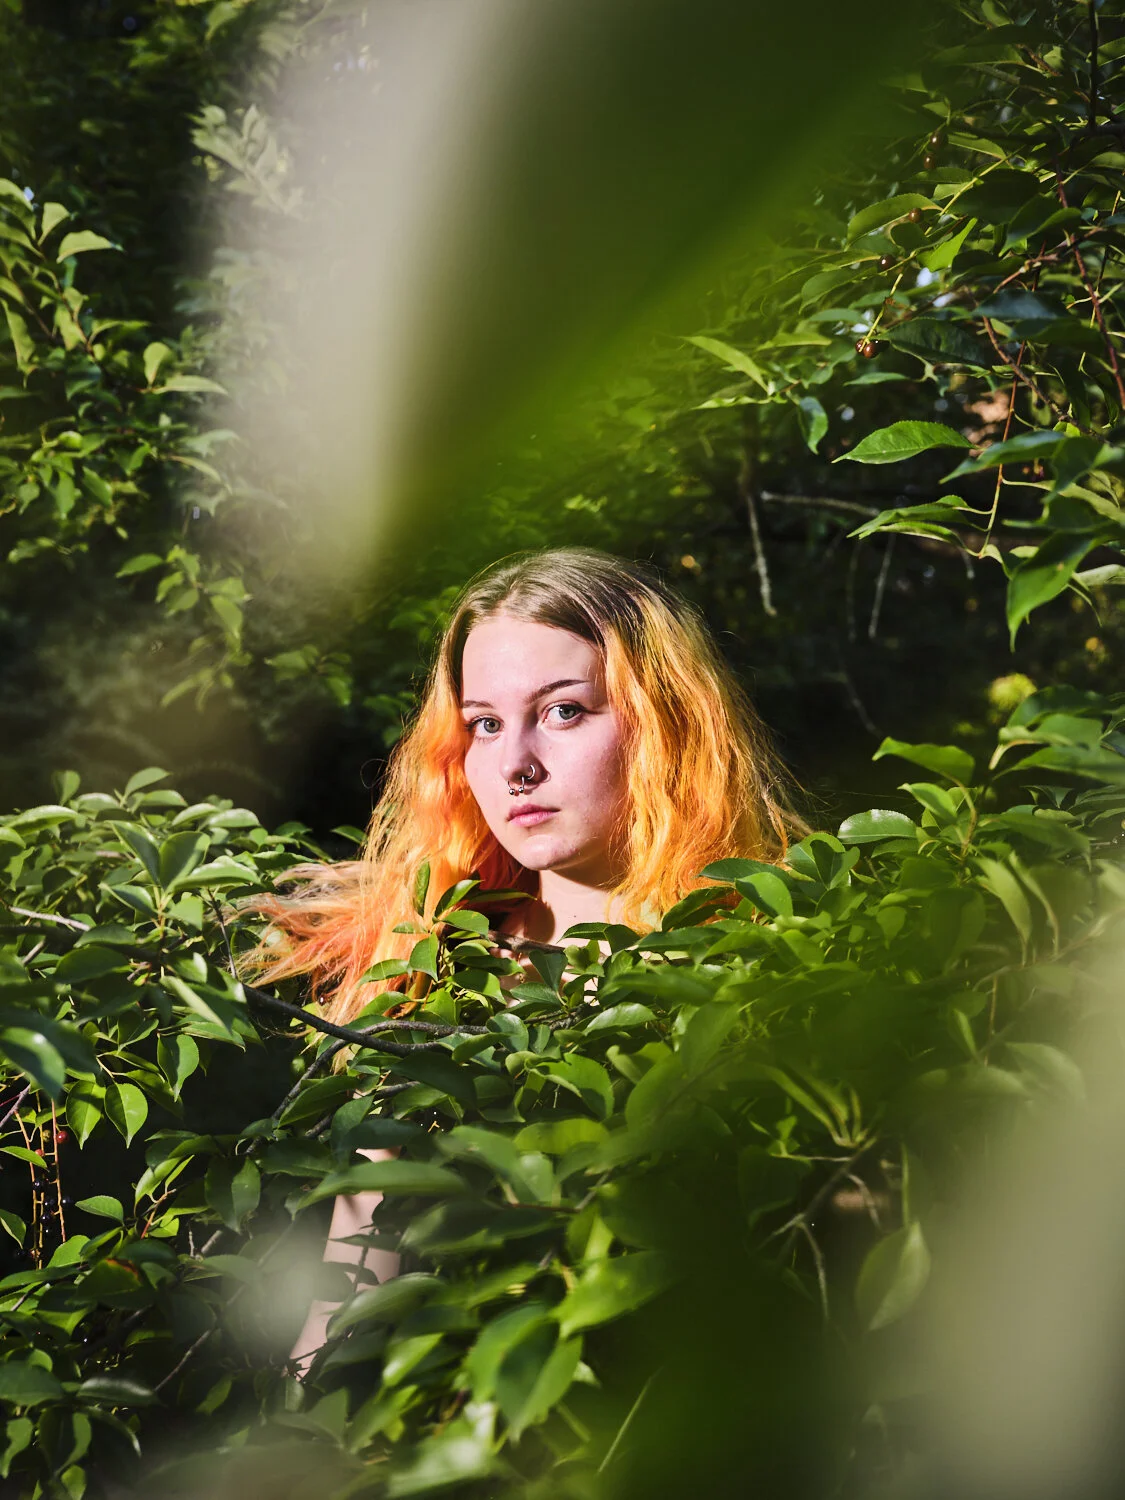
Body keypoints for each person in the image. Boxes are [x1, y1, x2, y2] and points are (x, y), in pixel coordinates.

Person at [247, 546, 801, 1370]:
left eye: (564, 711)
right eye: (485, 724)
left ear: (666, 720)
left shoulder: (770, 958)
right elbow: (354, 1281)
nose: (515, 765)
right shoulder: (426, 966)